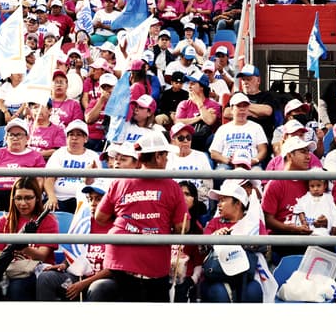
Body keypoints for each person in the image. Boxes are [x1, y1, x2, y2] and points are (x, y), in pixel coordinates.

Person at [93, 129, 189, 302]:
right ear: (158, 156)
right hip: (154, 260)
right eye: (165, 155)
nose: (167, 159)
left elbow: (100, 217)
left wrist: (129, 219)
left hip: (120, 257)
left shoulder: (120, 182)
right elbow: (182, 227)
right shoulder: (172, 186)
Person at [0, 177, 58, 301]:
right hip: (9, 272)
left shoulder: (48, 221)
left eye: (28, 198)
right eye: (18, 198)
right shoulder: (2, 222)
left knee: (18, 287)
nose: (23, 203)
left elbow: (42, 256)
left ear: (37, 198)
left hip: (37, 272)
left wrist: (22, 246)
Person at [198, 180, 269, 303]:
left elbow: (267, 250)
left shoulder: (254, 223)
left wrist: (242, 240)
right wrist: (214, 238)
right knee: (218, 292)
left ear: (238, 203)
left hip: (245, 275)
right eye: (219, 201)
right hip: (217, 276)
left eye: (223, 200)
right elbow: (201, 249)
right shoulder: (214, 223)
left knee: (253, 291)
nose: (219, 204)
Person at [0, 119, 47, 211]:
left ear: (27, 138)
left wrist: (33, 197)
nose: (15, 138)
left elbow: (39, 181)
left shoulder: (36, 156)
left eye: (19, 135)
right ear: (6, 138)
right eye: (11, 135)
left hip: (22, 195)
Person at [43, 119, 100, 213]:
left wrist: (89, 176)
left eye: (78, 135)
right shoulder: (59, 153)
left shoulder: (93, 156)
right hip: (59, 200)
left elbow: (96, 184)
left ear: (85, 139)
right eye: (71, 134)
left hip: (84, 201)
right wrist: (51, 197)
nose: (74, 138)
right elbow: (49, 179)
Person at [209, 92, 269, 169]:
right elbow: (214, 153)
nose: (242, 109)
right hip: (227, 164)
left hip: (251, 164)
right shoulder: (223, 129)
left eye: (245, 106)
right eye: (238, 106)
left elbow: (263, 150)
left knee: (257, 171)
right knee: (221, 171)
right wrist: (227, 160)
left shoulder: (257, 127)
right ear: (231, 109)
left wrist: (254, 160)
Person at [165, 122, 214, 201]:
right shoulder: (167, 158)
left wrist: (192, 198)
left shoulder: (201, 156)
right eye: (181, 138)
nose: (185, 141)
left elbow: (208, 185)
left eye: (188, 137)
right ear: (173, 141)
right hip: (174, 199)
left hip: (197, 200)